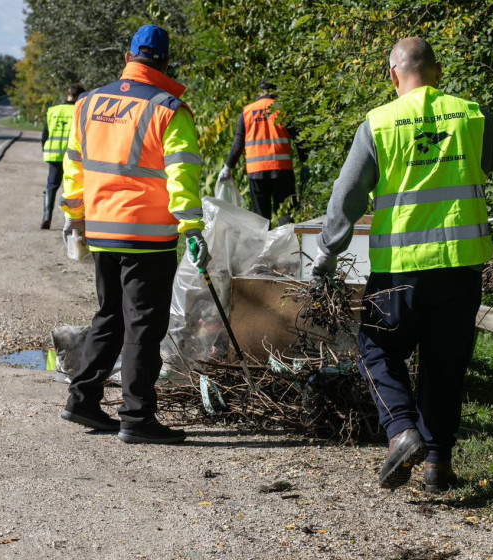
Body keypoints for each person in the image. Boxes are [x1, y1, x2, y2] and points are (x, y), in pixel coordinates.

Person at [312, 37, 493, 491]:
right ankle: (438, 464)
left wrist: (327, 250)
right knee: (445, 364)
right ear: (437, 73)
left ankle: (401, 430)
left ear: (393, 76)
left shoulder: (379, 124)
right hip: (461, 270)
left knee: (377, 348)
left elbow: (348, 195)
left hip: (401, 271)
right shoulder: (470, 117)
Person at [58, 25, 210, 444]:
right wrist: (192, 227)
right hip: (147, 234)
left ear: (128, 56)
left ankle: (82, 399)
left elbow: (74, 165)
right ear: (163, 62)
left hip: (103, 230)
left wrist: (75, 215)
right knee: (143, 325)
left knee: (109, 316)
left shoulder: (89, 102)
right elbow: (182, 173)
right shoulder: (169, 109)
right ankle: (137, 418)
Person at [218, 79, 308, 225]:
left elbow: (238, 142)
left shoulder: (247, 111)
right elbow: (299, 139)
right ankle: (287, 247)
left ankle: (263, 247)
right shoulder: (283, 109)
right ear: (275, 92)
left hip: (257, 171)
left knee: (260, 218)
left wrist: (228, 167)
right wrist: (305, 163)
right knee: (285, 214)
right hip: (282, 170)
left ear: (260, 91)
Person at [40, 83, 84, 229]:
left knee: (51, 186)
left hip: (55, 155)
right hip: (74, 157)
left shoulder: (53, 110)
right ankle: (73, 222)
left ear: (68, 93)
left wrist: (45, 150)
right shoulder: (80, 111)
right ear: (79, 96)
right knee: (74, 188)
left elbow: (45, 134)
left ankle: (47, 217)